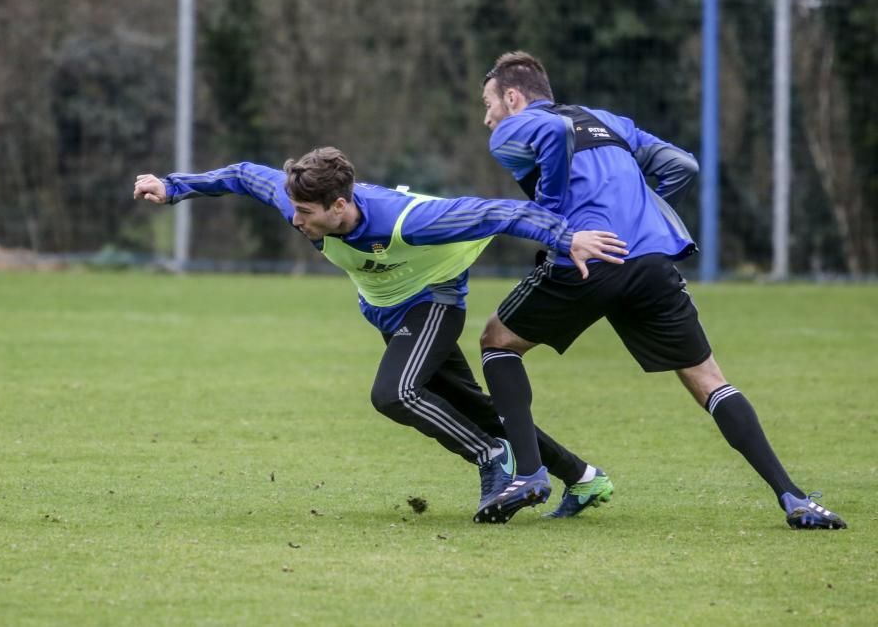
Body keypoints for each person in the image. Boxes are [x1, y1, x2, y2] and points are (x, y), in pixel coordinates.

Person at [134, 147, 627, 520]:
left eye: (305, 213)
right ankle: (584, 479)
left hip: (435, 302)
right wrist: (173, 186)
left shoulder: (409, 221)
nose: (294, 219)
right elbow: (241, 175)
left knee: (394, 394)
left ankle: (491, 454)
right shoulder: (298, 200)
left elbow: (499, 213)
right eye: (293, 209)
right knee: (474, 407)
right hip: (391, 313)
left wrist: (567, 237)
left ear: (340, 205)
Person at [470, 50, 847, 529]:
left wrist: (560, 218)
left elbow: (556, 135)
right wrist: (641, 211)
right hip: (650, 260)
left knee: (497, 342)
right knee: (709, 380)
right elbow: (682, 166)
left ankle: (529, 473)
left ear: (513, 96)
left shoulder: (515, 128)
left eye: (488, 103)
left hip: (587, 258)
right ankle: (793, 498)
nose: (487, 118)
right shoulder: (606, 120)